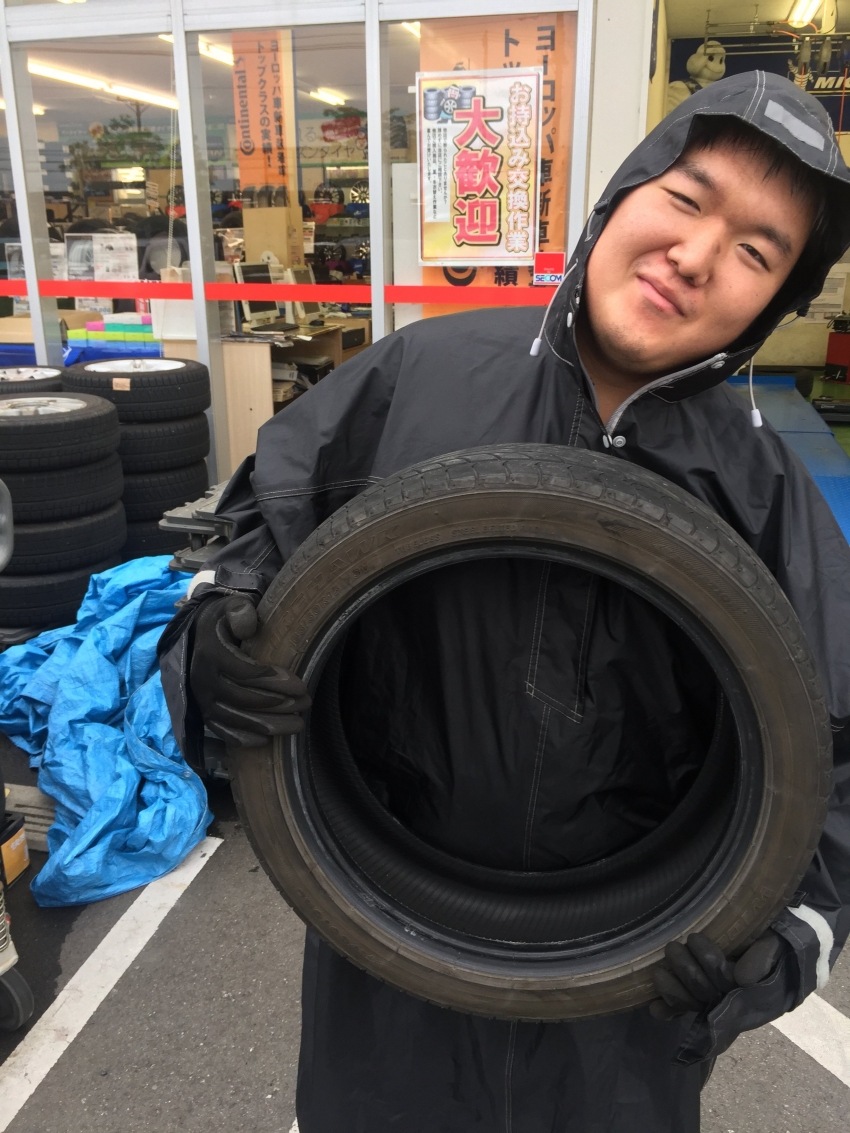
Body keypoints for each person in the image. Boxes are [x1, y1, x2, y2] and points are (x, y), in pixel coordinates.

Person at [159, 72, 850, 1132]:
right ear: (623, 194)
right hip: (387, 952)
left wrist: (789, 934)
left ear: (775, 302)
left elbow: (830, 756)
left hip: (620, 1010)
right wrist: (213, 636)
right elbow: (258, 534)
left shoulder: (762, 494)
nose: (696, 255)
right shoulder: (419, 378)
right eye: (686, 198)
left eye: (757, 252)